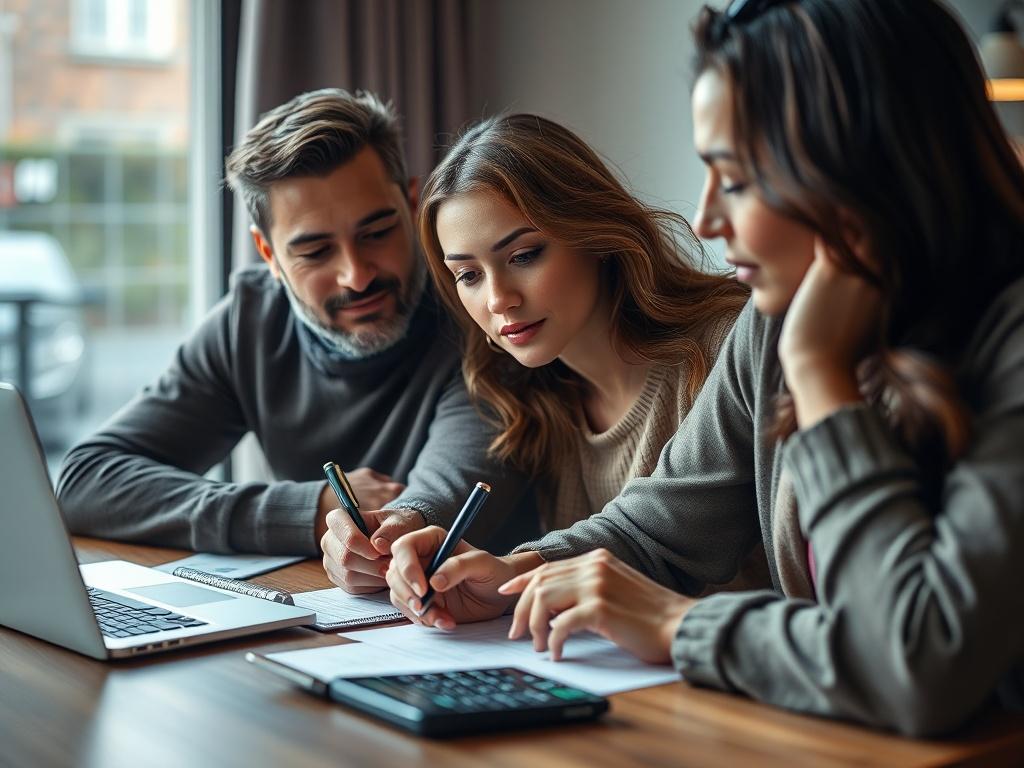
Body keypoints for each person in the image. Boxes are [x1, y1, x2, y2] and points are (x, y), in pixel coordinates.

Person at [386, 0, 1024, 736]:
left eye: (739, 179)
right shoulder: (773, 325)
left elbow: (922, 666)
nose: (707, 217)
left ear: (858, 168)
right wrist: (515, 572)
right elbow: (659, 529)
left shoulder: (976, 341)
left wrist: (682, 624)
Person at [56, 88, 534, 592]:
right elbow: (86, 482)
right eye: (315, 251)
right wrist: (308, 510)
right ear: (269, 255)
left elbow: (444, 498)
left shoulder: (484, 312)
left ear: (414, 205)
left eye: (376, 233)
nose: (356, 275)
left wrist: (398, 526)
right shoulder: (251, 323)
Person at [418, 113, 752, 537]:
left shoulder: (727, 347)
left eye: (523, 256)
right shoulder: (531, 407)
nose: (498, 300)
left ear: (592, 233)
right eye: (469, 275)